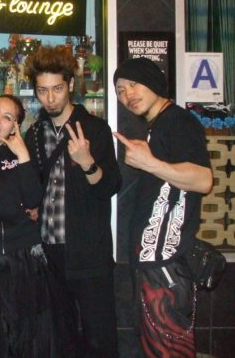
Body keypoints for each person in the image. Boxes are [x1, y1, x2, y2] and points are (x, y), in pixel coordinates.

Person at [0, 94, 77, 357]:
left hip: (24, 258)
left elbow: (34, 199)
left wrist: (22, 156)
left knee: (26, 335)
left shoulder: (22, 156)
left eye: (7, 117)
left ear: (15, 127)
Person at [24, 45, 121, 357]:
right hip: (49, 252)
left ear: (69, 86)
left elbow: (111, 186)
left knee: (99, 337)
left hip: (88, 250)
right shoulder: (35, 134)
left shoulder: (93, 128)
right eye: (42, 90)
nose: (50, 98)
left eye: (57, 89)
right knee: (61, 336)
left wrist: (88, 161)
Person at [113, 57, 213, 357]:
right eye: (120, 89)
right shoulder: (159, 125)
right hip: (154, 261)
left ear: (153, 81)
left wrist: (151, 164)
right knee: (157, 346)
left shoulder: (178, 121)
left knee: (169, 349)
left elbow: (203, 179)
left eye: (134, 84)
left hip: (166, 262)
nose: (128, 94)